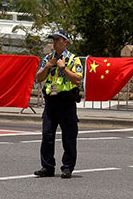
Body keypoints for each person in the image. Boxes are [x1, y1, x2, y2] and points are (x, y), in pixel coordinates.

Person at [34, 29, 83, 179]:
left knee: (68, 136)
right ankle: (47, 167)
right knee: (47, 134)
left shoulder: (73, 59)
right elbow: (38, 78)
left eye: (57, 40)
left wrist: (63, 67)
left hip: (66, 101)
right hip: (51, 101)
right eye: (53, 40)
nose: (54, 43)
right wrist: (48, 66)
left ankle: (67, 167)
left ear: (65, 42)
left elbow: (77, 79)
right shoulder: (48, 58)